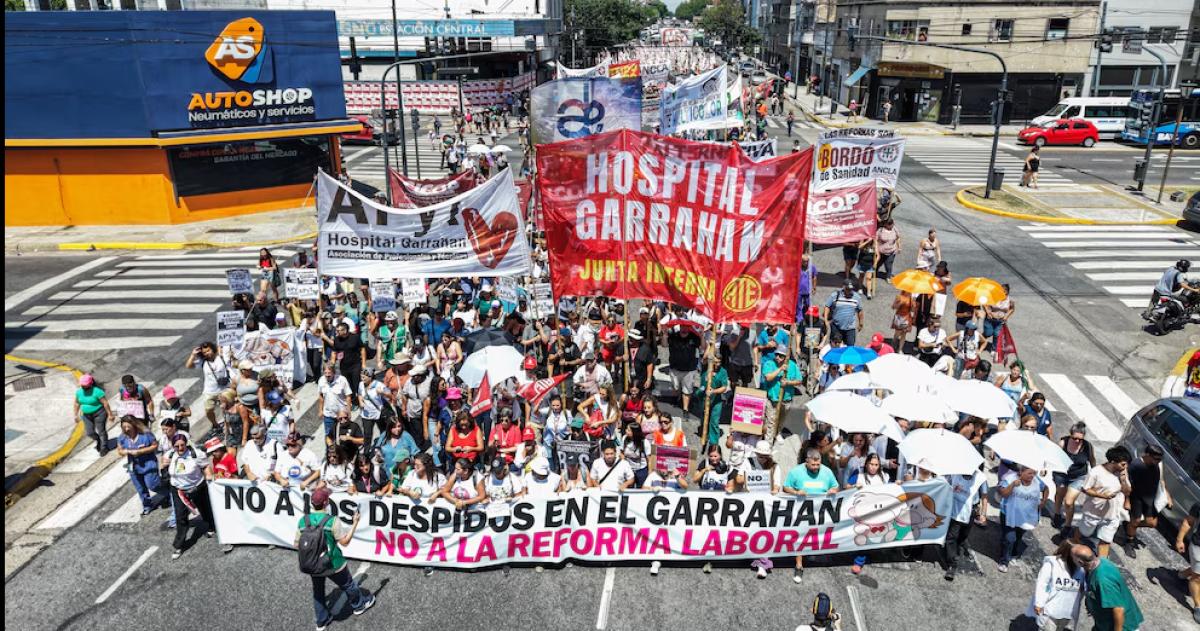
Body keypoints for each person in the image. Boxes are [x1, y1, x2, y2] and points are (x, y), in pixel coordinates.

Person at [296, 487, 376, 630]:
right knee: (348, 585)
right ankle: (359, 605)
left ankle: (322, 620)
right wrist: (355, 523)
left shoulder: (303, 520)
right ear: (326, 502)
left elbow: (297, 543)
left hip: (313, 564)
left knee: (318, 591)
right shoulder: (332, 521)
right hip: (333, 562)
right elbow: (344, 542)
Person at [784, 449, 840, 583]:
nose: (816, 468)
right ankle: (799, 565)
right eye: (813, 465)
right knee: (801, 536)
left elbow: (836, 486)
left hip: (821, 510)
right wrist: (796, 492)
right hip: (802, 510)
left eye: (818, 465)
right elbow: (785, 488)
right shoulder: (795, 472)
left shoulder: (827, 471)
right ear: (806, 462)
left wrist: (833, 490)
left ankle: (819, 555)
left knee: (820, 533)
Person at [166, 433, 218, 559]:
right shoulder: (170, 455)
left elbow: (205, 466)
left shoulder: (196, 454)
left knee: (205, 509)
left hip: (197, 487)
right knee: (180, 517)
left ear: (186, 444)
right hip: (178, 490)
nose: (180, 448)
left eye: (182, 445)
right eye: (176, 446)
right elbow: (164, 465)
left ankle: (212, 526)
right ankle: (179, 545)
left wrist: (209, 476)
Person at [1073, 544, 1144, 631]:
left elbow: (1118, 609)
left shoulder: (1103, 580)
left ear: (1080, 562)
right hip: (1104, 623)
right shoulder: (1101, 561)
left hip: (1121, 627)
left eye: (1072, 558)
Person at [997, 465, 1049, 572]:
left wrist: (1044, 501)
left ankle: (1013, 554)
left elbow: (1046, 488)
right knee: (1010, 538)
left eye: (1034, 473)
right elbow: (1003, 493)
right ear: (1021, 472)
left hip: (1025, 516)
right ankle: (1004, 561)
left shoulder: (1036, 481)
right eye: (1030, 473)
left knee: (1018, 536)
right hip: (1009, 514)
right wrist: (1012, 485)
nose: (1032, 476)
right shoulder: (1010, 478)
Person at [940, 465, 988, 581]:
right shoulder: (954, 473)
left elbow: (984, 497)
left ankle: (960, 544)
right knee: (951, 537)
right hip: (954, 509)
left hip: (970, 511)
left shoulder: (980, 478)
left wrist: (983, 514)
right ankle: (952, 564)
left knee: (963, 536)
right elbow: (943, 484)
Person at [1026, 541, 1085, 631]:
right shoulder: (1051, 564)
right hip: (1050, 610)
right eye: (1077, 554)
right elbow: (1042, 584)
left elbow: (1083, 588)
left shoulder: (1081, 569)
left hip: (1067, 612)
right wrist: (1039, 603)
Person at [1124, 444, 1170, 558]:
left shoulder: (1157, 465)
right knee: (1136, 520)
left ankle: (1130, 526)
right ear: (1148, 455)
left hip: (1150, 498)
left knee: (1152, 523)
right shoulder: (1136, 465)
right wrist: (1127, 500)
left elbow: (1161, 480)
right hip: (1137, 497)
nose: (1158, 461)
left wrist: (1167, 495)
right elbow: (1127, 484)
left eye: (1160, 459)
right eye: (1156, 459)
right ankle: (1129, 541)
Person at [1052, 422, 1096, 532]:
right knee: (1060, 495)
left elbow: (1092, 460)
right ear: (1070, 435)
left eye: (1080, 439)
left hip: (1078, 476)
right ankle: (1057, 514)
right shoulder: (1063, 443)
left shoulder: (1087, 446)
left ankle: (1067, 525)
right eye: (1074, 438)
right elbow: (1053, 457)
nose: (1077, 441)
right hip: (1062, 474)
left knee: (1068, 502)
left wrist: (1095, 476)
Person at [115, 416, 164, 515]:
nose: (126, 429)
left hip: (148, 464)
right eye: (124, 427)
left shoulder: (145, 435)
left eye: (128, 426)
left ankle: (168, 493)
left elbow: (155, 445)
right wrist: (126, 451)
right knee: (140, 487)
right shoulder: (122, 437)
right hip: (134, 466)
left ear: (134, 425)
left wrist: (140, 451)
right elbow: (119, 450)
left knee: (152, 485)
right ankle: (147, 505)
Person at [74, 373, 113, 456]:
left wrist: (110, 414)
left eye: (85, 385)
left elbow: (105, 403)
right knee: (89, 432)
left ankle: (104, 447)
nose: (83, 387)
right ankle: (98, 440)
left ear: (90, 384)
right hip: (86, 415)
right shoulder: (79, 392)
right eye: (82, 385)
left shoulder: (97, 391)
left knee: (101, 431)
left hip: (99, 413)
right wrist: (75, 415)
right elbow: (77, 403)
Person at [1175, 502, 1200, 623]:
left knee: (1197, 571)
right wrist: (1180, 540)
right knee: (1198, 578)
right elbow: (1189, 522)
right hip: (1198, 546)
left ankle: (1182, 575)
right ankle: (1198, 606)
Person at [317, 365, 352, 443]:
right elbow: (320, 396)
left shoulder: (342, 380)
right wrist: (320, 410)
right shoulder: (321, 380)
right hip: (328, 414)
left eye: (329, 373)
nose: (327, 375)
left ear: (334, 373)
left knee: (343, 436)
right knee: (329, 436)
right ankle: (330, 453)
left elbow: (348, 396)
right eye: (325, 372)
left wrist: (349, 412)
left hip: (342, 415)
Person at [825, 280, 864, 347]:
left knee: (850, 348)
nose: (849, 291)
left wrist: (861, 323)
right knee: (835, 346)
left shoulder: (857, 297)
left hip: (850, 328)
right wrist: (826, 320)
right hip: (836, 326)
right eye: (848, 289)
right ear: (843, 287)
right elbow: (827, 306)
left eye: (851, 289)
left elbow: (860, 310)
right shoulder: (835, 295)